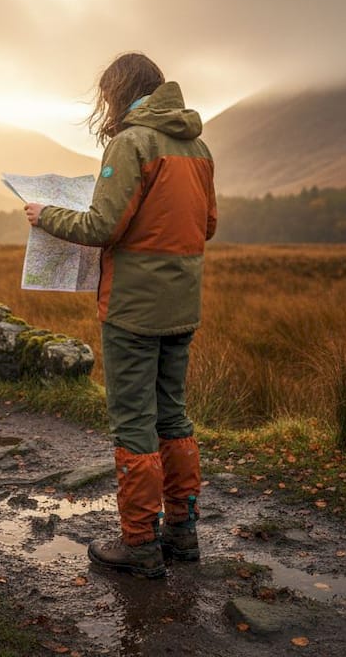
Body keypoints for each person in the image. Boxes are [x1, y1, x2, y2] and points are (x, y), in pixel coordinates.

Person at [24, 52, 216, 578]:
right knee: (172, 417)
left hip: (132, 310)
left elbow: (102, 226)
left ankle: (139, 545)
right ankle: (183, 534)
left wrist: (46, 216)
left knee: (134, 425)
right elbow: (209, 224)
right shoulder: (197, 147)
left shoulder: (130, 143)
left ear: (119, 92)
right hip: (182, 306)